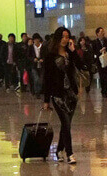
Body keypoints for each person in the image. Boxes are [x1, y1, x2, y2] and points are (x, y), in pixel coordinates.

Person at [42, 27, 82, 164]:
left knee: (67, 125)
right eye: (63, 36)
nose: (65, 39)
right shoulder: (50, 56)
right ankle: (70, 153)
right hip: (57, 95)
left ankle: (59, 150)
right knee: (65, 122)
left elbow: (81, 65)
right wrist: (46, 100)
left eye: (67, 37)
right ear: (58, 38)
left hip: (70, 94)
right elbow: (46, 78)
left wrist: (73, 51)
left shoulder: (70, 54)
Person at [92, 27, 107, 98]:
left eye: (103, 32)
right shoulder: (94, 42)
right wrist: (100, 51)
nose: (103, 33)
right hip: (100, 62)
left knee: (106, 75)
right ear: (97, 33)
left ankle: (106, 89)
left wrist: (106, 49)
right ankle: (103, 89)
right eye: (101, 32)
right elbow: (94, 52)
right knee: (101, 76)